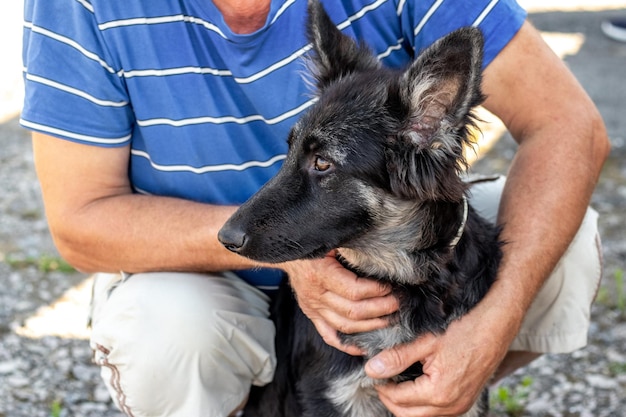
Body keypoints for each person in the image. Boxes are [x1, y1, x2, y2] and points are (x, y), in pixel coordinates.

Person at [21, 0, 609, 416]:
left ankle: (436, 388)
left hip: (406, 224)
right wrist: (293, 259)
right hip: (199, 264)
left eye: (320, 166)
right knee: (167, 333)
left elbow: (568, 125)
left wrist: (491, 323)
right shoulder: (82, 6)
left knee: (566, 237)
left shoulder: (416, 127)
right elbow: (80, 222)